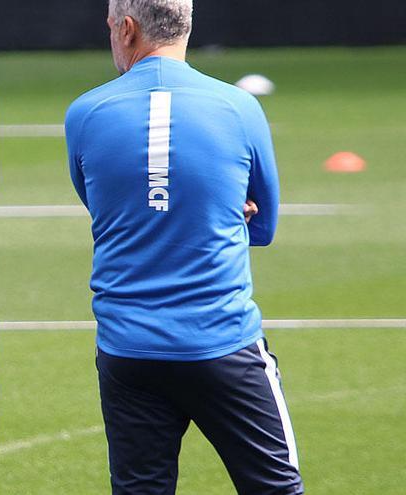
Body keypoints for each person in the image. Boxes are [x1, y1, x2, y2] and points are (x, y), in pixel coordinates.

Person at [65, 0, 304, 493]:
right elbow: (264, 227)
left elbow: (105, 207)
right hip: (222, 343)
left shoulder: (85, 112)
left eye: (110, 25)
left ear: (126, 28)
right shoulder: (239, 108)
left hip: (128, 349)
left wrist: (154, 209)